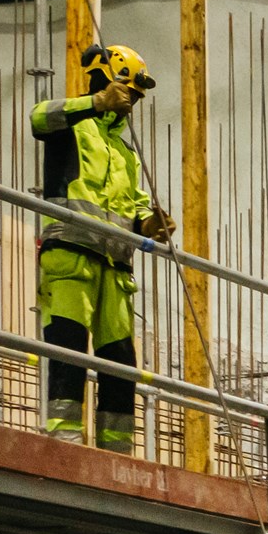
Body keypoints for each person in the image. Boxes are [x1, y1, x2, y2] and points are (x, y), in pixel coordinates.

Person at [31, 43, 174, 451]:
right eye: (129, 91)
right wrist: (95, 102)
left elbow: (136, 208)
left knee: (120, 361)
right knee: (70, 346)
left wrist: (152, 223)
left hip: (115, 268)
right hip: (71, 256)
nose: (132, 102)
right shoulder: (73, 123)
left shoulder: (127, 154)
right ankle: (65, 439)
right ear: (105, 79)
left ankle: (118, 449)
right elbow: (38, 117)